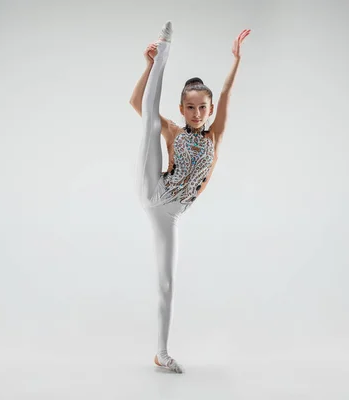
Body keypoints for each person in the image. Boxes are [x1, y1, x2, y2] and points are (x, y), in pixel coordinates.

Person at [129, 21, 250, 373]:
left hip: (170, 215)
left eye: (202, 108)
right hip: (153, 187)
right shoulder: (172, 130)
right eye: (190, 108)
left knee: (167, 283)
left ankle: (161, 353)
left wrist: (236, 60)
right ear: (182, 109)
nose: (196, 114)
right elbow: (136, 103)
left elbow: (227, 93)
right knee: (151, 122)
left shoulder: (215, 137)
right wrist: (150, 64)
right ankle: (164, 50)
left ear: (209, 111)